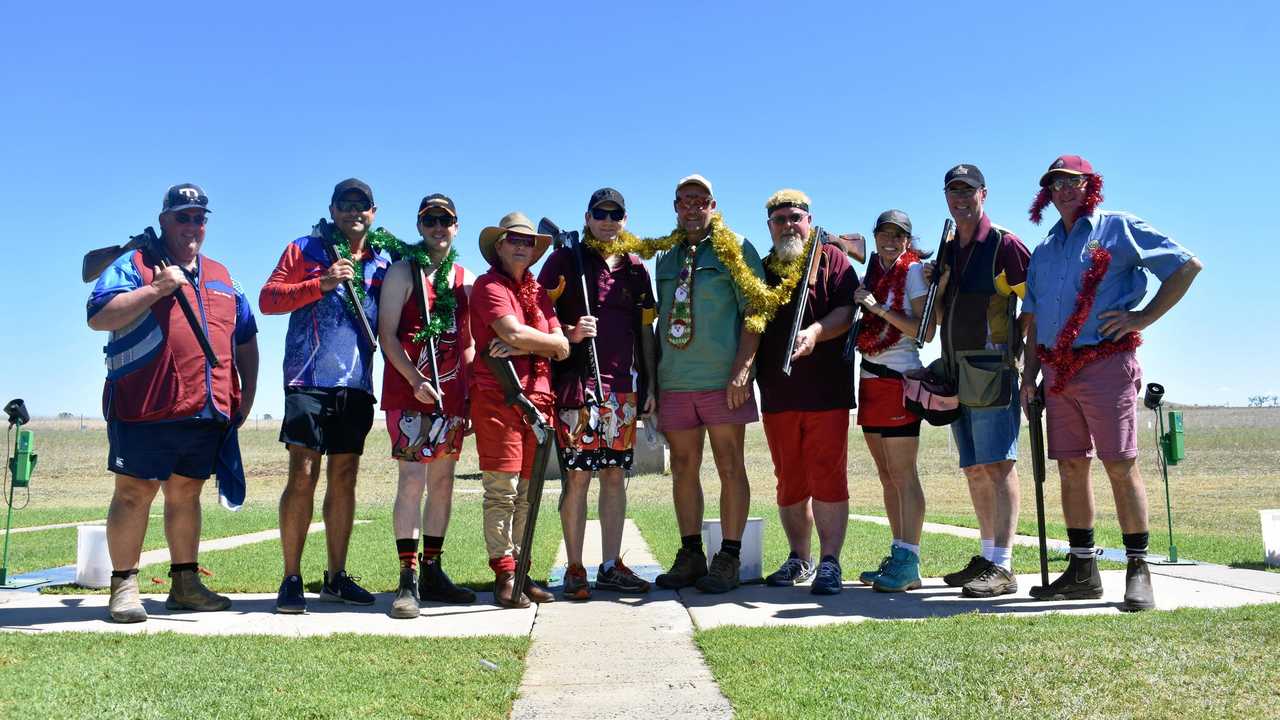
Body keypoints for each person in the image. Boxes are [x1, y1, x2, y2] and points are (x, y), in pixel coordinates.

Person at [1021, 155, 1202, 611]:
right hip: (1057, 373)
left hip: (1106, 364)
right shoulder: (1043, 250)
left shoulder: (1117, 228)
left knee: (1120, 465)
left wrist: (1143, 317)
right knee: (1069, 467)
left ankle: (1138, 569)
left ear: (1090, 185)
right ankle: (1082, 570)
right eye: (1055, 183)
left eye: (1073, 182)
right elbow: (1035, 318)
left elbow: (1186, 266)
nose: (1064, 189)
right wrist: (1029, 375)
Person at [88, 183, 259, 623]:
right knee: (133, 493)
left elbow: (245, 338)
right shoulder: (136, 264)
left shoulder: (224, 275)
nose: (191, 225)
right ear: (164, 220)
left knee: (186, 494)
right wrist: (156, 289)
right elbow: (99, 315)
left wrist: (247, 393)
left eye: (199, 217)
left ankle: (185, 584)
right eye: (182, 216)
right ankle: (124, 586)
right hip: (143, 403)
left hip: (205, 406)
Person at [260, 178, 392, 614]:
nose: (355, 212)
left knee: (346, 477)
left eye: (363, 206)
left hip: (355, 385)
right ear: (333, 209)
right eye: (346, 204)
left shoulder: (383, 261)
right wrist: (321, 283)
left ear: (374, 213)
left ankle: (335, 576)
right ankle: (291, 578)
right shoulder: (305, 248)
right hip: (306, 379)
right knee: (302, 474)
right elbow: (268, 299)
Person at [538, 188, 656, 600]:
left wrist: (650, 386)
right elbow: (537, 308)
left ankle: (609, 565)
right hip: (575, 386)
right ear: (587, 217)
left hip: (622, 389)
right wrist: (567, 333)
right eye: (600, 213)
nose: (608, 220)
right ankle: (574, 567)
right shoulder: (564, 258)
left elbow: (646, 330)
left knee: (613, 476)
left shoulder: (637, 268)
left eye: (616, 213)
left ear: (625, 218)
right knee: (576, 477)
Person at [652, 174, 766, 594]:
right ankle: (691, 554)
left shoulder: (735, 248)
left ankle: (730, 558)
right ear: (675, 206)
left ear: (713, 205)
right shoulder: (665, 256)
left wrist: (743, 368)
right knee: (682, 468)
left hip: (722, 380)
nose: (693, 208)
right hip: (676, 380)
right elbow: (659, 318)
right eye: (685, 201)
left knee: (730, 465)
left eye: (701, 201)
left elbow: (756, 310)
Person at [927, 163, 1031, 598]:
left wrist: (1020, 357)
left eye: (968, 190)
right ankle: (987, 556)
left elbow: (1035, 305)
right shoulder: (949, 247)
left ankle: (1004, 565)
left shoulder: (1005, 245)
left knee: (998, 464)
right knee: (973, 469)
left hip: (990, 368)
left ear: (983, 194)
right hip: (954, 368)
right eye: (953, 190)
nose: (960, 197)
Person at [377, 194, 478, 619]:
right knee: (412, 480)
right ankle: (408, 578)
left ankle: (434, 569)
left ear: (456, 226)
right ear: (420, 225)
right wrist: (415, 379)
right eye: (430, 220)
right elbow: (387, 335)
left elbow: (471, 342)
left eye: (446, 220)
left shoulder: (464, 277)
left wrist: (469, 395)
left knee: (443, 482)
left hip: (452, 396)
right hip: (409, 392)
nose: (439, 227)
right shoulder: (402, 271)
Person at [754, 190, 858, 595]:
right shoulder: (762, 269)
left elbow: (849, 311)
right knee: (789, 481)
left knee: (829, 479)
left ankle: (830, 562)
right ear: (769, 227)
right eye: (779, 219)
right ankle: (800, 558)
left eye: (795, 217)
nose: (788, 225)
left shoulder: (832, 258)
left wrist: (815, 332)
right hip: (778, 394)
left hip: (826, 392)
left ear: (809, 221)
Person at [469, 212, 570, 608]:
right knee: (502, 491)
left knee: (528, 492)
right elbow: (511, 332)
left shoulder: (538, 291)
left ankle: (522, 569)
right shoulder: (488, 286)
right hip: (500, 396)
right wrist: (535, 340)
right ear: (499, 245)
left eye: (528, 242)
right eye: (513, 239)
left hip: (540, 399)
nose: (521, 246)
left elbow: (562, 346)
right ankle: (505, 575)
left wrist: (527, 344)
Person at [850, 210, 931, 593]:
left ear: (907, 241)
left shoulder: (912, 272)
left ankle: (910, 561)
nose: (889, 239)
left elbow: (925, 329)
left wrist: (877, 308)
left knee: (903, 475)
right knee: (886, 476)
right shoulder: (874, 271)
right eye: (883, 232)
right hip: (869, 379)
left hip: (899, 380)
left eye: (898, 235)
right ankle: (898, 552)